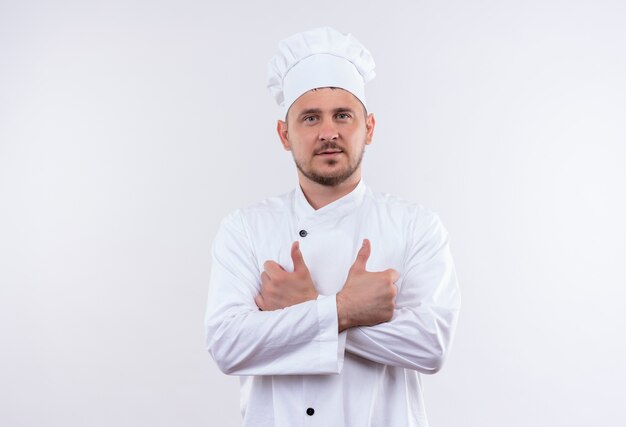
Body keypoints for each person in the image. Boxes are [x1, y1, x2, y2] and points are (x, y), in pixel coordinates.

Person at [204, 26, 461, 427]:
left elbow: (430, 345)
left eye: (343, 115)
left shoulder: (416, 226)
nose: (329, 132)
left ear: (369, 128)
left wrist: (304, 309)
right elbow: (228, 345)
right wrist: (345, 310)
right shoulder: (245, 228)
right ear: (284, 134)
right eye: (310, 118)